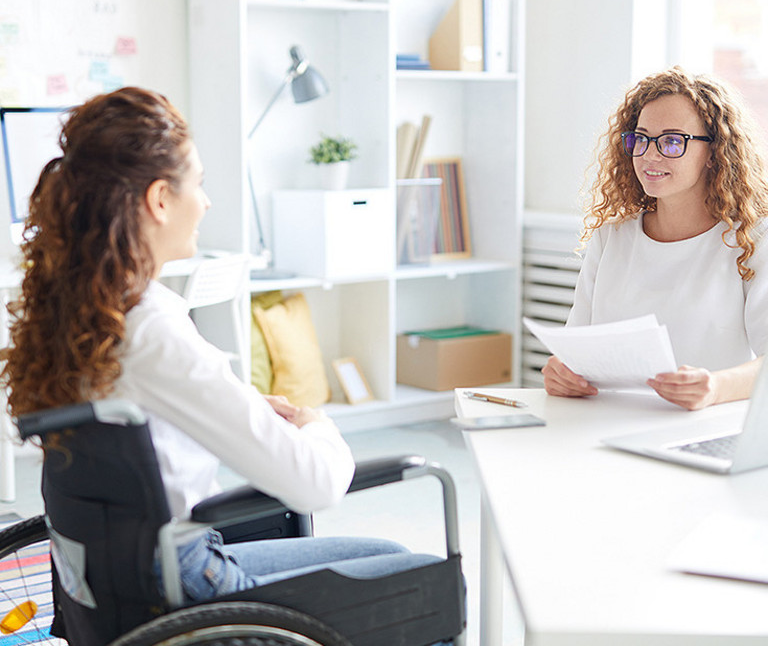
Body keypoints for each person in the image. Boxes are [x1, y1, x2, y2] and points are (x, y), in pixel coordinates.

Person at [0, 87, 442, 603]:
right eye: (199, 185)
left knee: (381, 553)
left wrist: (243, 406)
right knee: (419, 583)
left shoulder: (82, 310)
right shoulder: (152, 328)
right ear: (160, 199)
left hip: (116, 582)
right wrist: (319, 426)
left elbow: (153, 411)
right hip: (187, 584)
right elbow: (316, 484)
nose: (206, 201)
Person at [543, 66, 768, 410]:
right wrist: (561, 373)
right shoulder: (611, 237)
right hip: (603, 426)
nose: (649, 154)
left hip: (704, 428)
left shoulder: (753, 240)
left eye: (673, 141)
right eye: (642, 138)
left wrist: (715, 388)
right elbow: (574, 350)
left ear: (714, 152)